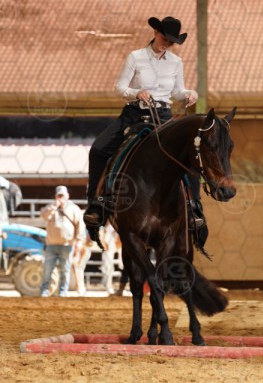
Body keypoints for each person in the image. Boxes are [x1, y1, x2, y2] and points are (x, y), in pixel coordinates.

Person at [84, 16, 205, 231]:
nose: (167, 44)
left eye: (171, 42)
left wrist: (189, 93)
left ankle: (194, 207)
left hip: (163, 116)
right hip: (134, 114)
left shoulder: (176, 62)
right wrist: (136, 92)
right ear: (155, 33)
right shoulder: (136, 57)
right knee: (99, 150)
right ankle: (96, 204)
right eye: (164, 38)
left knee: (190, 155)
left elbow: (177, 92)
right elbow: (119, 88)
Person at [39, 186, 86, 297]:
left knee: (65, 270)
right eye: (58, 195)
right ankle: (44, 291)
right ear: (55, 196)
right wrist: (54, 206)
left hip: (67, 245)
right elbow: (44, 216)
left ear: (67, 196)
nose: (60, 197)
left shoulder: (74, 209)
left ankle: (63, 292)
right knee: (48, 269)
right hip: (51, 244)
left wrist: (79, 241)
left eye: (62, 195)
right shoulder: (51, 207)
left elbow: (80, 225)